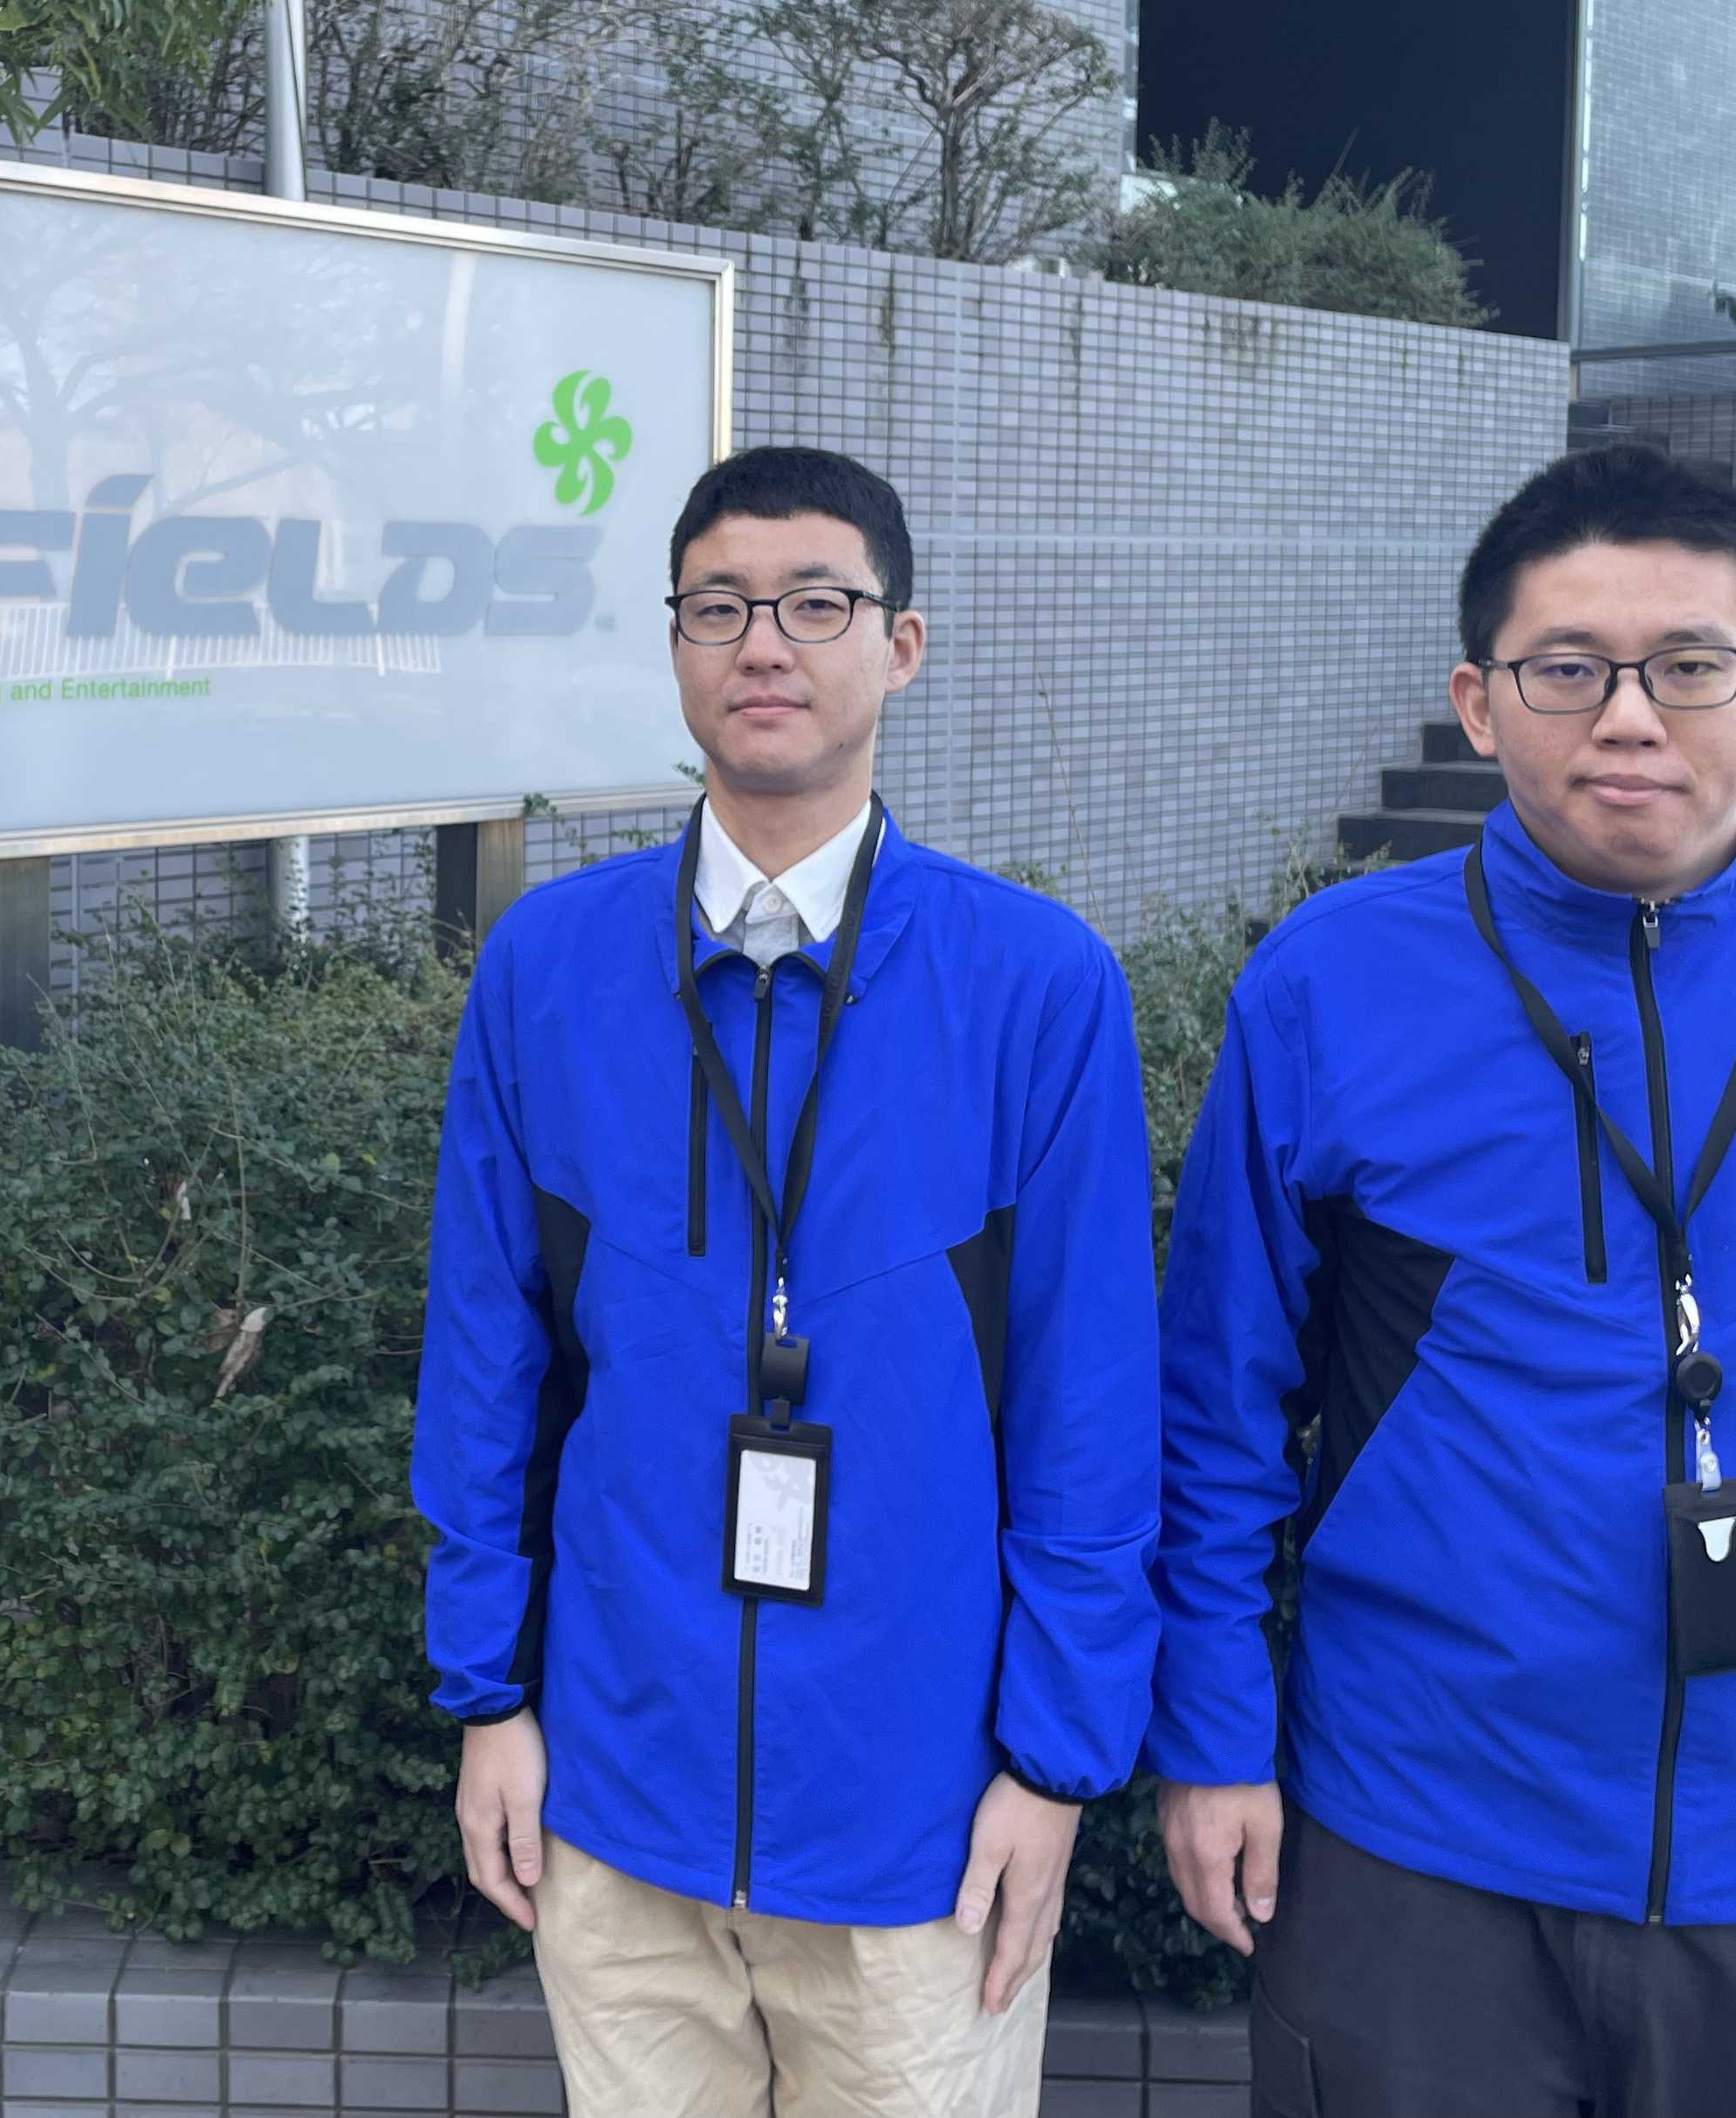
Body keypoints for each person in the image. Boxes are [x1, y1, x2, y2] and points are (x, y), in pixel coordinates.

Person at [1148, 442, 1736, 2118]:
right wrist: (1212, 1732)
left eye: (1689, 666)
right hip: (1417, 1832)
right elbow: (1213, 1405)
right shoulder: (1329, 987)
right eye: (1567, 669)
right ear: (1479, 702)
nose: (1631, 717)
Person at [411, 444, 1160, 2115]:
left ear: (902, 645)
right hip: (617, 1799)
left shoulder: (1035, 985)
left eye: (818, 603)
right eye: (720, 606)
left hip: (922, 1831)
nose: (764, 643)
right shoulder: (547, 967)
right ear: (674, 643)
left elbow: (1091, 1409)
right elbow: (483, 1361)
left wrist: (1054, 1763)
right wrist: (490, 1699)